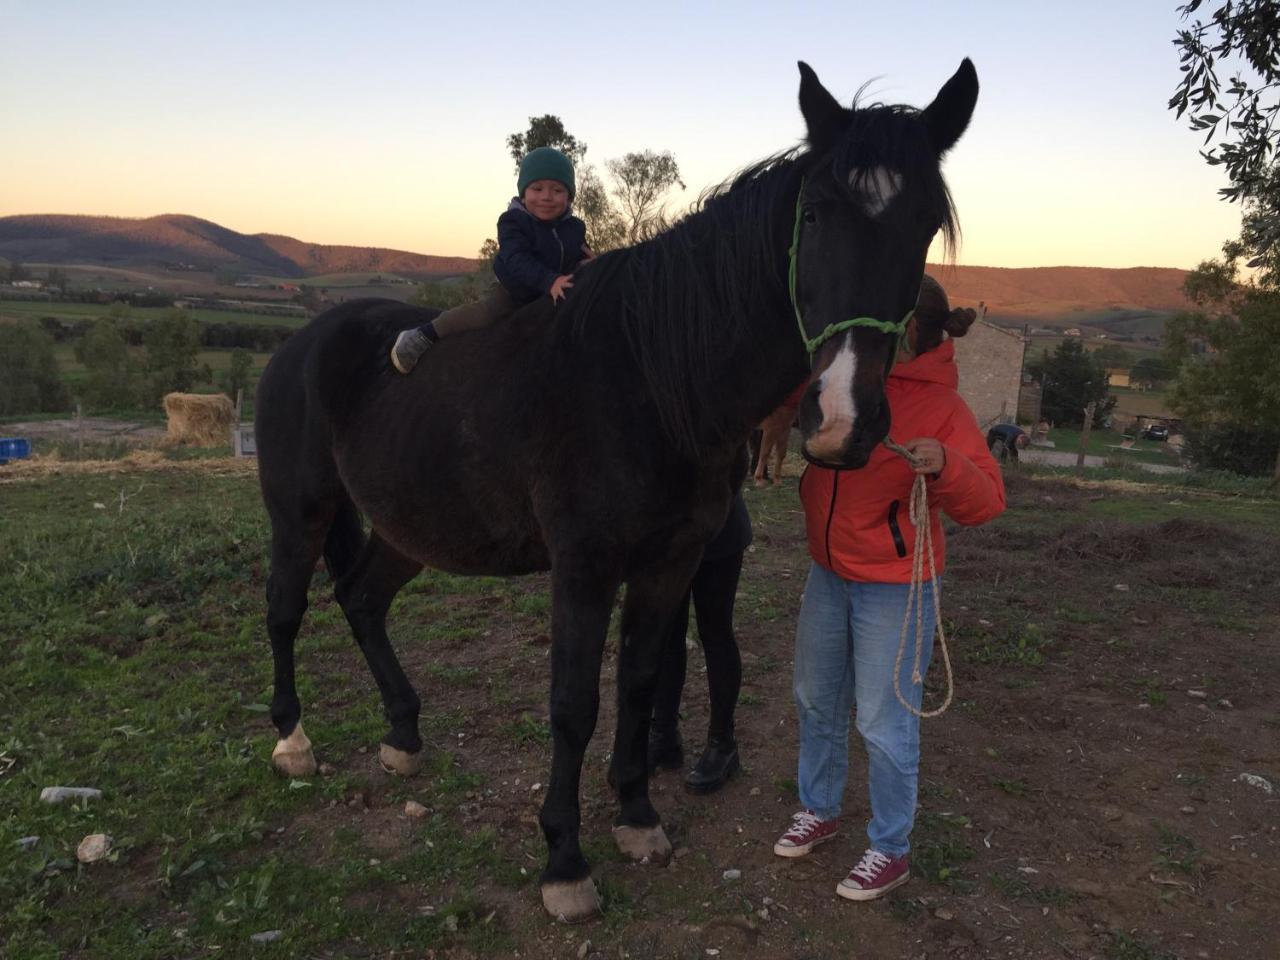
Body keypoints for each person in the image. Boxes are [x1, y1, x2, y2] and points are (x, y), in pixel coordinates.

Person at [773, 275, 1006, 902]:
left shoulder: (945, 408)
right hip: (828, 574)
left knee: (884, 722)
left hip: (895, 588)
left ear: (907, 333)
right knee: (817, 701)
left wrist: (948, 465)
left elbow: (987, 502)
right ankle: (819, 809)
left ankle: (890, 848)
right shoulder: (844, 378)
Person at [390, 147, 591, 373]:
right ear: (524, 194)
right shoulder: (513, 222)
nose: (546, 196)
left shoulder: (574, 227)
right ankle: (424, 335)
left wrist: (589, 264)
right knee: (486, 312)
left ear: (569, 197)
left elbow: (580, 253)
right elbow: (516, 260)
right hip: (515, 291)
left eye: (557, 190)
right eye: (537, 188)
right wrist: (549, 281)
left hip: (555, 291)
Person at [646, 491, 752, 793]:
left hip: (718, 526)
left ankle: (723, 743)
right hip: (665, 532)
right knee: (666, 634)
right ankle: (663, 735)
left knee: (715, 631)